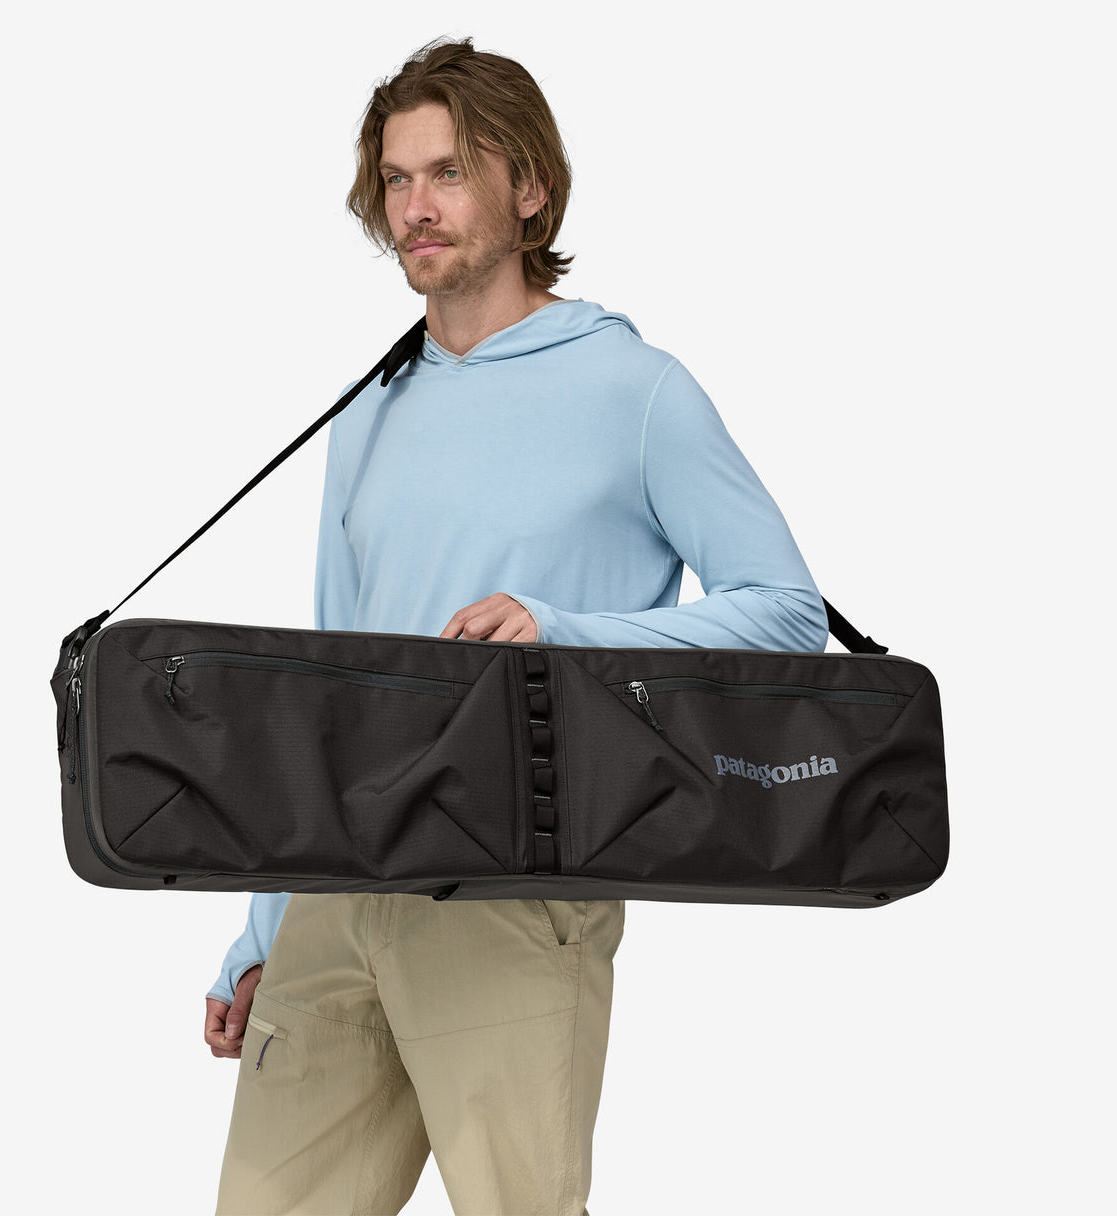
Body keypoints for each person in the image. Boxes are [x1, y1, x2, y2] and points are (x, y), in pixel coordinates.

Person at [207, 36, 829, 1216]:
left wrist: (560, 630)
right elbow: (333, 679)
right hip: (340, 892)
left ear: (529, 187)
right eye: (396, 180)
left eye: (448, 172)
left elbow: (787, 614)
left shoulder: (634, 389)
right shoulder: (369, 409)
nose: (415, 208)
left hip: (513, 880)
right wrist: (263, 928)